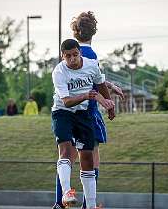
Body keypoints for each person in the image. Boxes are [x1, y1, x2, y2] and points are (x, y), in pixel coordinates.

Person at [53, 11, 124, 209]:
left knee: (66, 157)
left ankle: (61, 201)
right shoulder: (88, 54)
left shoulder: (68, 55)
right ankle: (88, 204)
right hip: (87, 111)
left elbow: (94, 79)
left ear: (74, 31)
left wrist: (109, 84)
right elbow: (95, 82)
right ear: (94, 30)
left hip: (66, 112)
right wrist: (108, 100)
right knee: (90, 158)